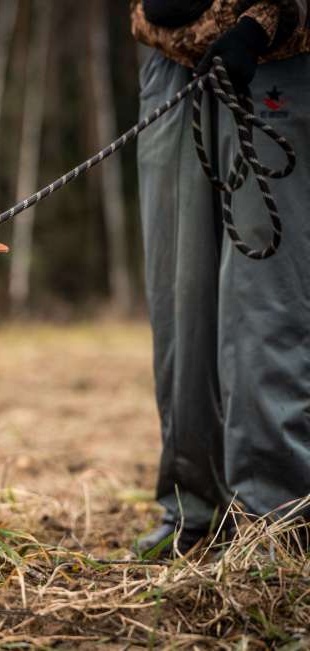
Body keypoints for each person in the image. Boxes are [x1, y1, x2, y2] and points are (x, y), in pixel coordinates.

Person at [130, 0, 310, 556]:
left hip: (273, 59)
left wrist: (261, 23)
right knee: (179, 298)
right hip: (169, 66)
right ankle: (193, 507)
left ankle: (275, 517)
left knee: (263, 300)